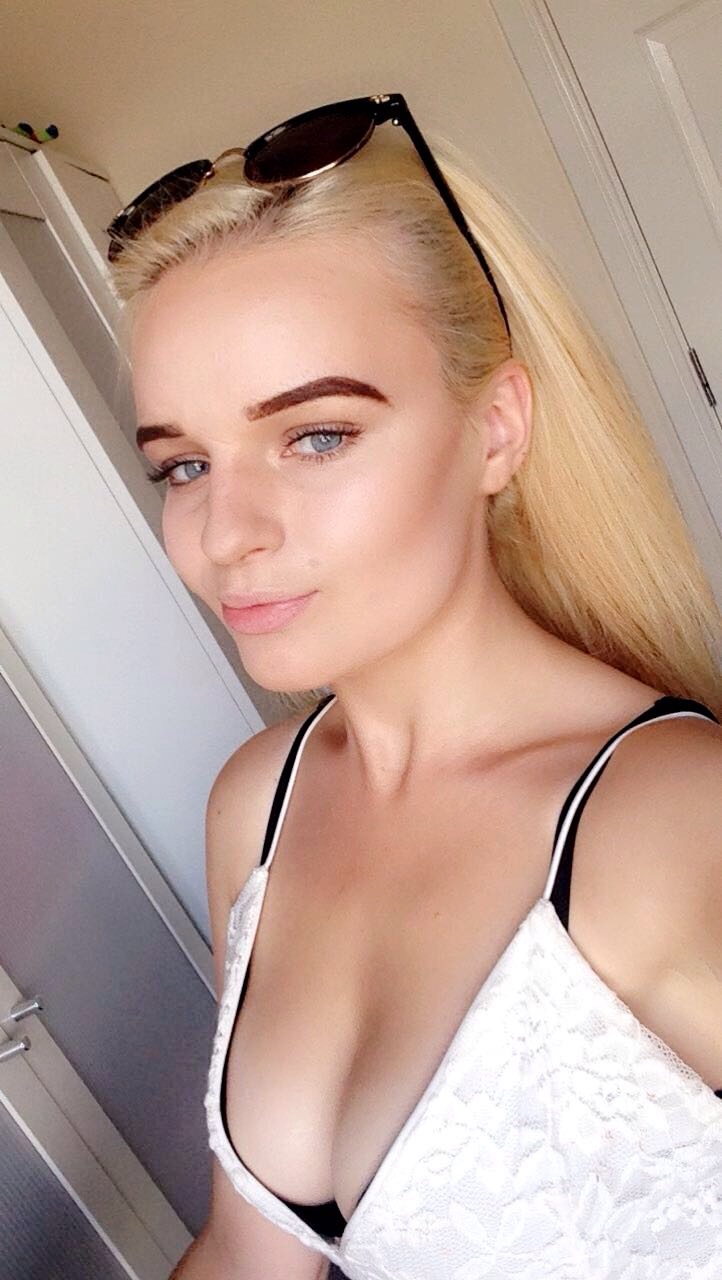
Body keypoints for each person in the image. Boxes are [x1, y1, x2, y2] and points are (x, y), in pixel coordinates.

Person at [107, 95, 722, 1280]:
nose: (225, 533)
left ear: (494, 430)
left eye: (315, 435)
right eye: (182, 464)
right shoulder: (258, 802)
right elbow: (250, 1252)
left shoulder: (670, 823)